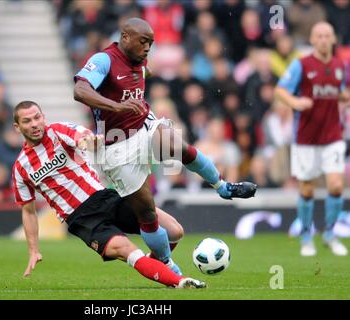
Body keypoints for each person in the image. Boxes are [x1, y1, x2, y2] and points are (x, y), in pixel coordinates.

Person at [73, 17, 257, 274]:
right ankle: (167, 264)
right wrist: (117, 105)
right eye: (143, 42)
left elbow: (138, 76)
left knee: (176, 145)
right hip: (116, 143)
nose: (148, 48)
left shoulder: (139, 59)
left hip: (144, 125)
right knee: (147, 213)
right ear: (125, 38)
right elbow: (80, 90)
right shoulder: (104, 60)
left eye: (151, 43)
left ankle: (222, 186)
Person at [11, 100, 205, 289]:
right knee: (127, 250)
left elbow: (82, 136)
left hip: (105, 198)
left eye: (37, 117)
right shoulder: (21, 167)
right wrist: (33, 250)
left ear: (43, 117)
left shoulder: (58, 131)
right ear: (17, 127)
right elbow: (28, 211)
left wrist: (88, 141)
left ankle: (160, 268)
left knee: (174, 231)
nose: (35, 124)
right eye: (27, 121)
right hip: (82, 219)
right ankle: (179, 281)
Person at [275, 22, 350, 256]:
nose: (324, 39)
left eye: (328, 35)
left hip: (332, 135)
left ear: (333, 39)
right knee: (307, 189)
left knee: (336, 185)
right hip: (306, 138)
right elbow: (280, 90)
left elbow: (341, 91)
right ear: (312, 39)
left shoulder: (341, 66)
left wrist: (344, 97)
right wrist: (296, 103)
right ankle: (306, 235)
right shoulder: (302, 65)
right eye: (319, 35)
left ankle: (329, 233)